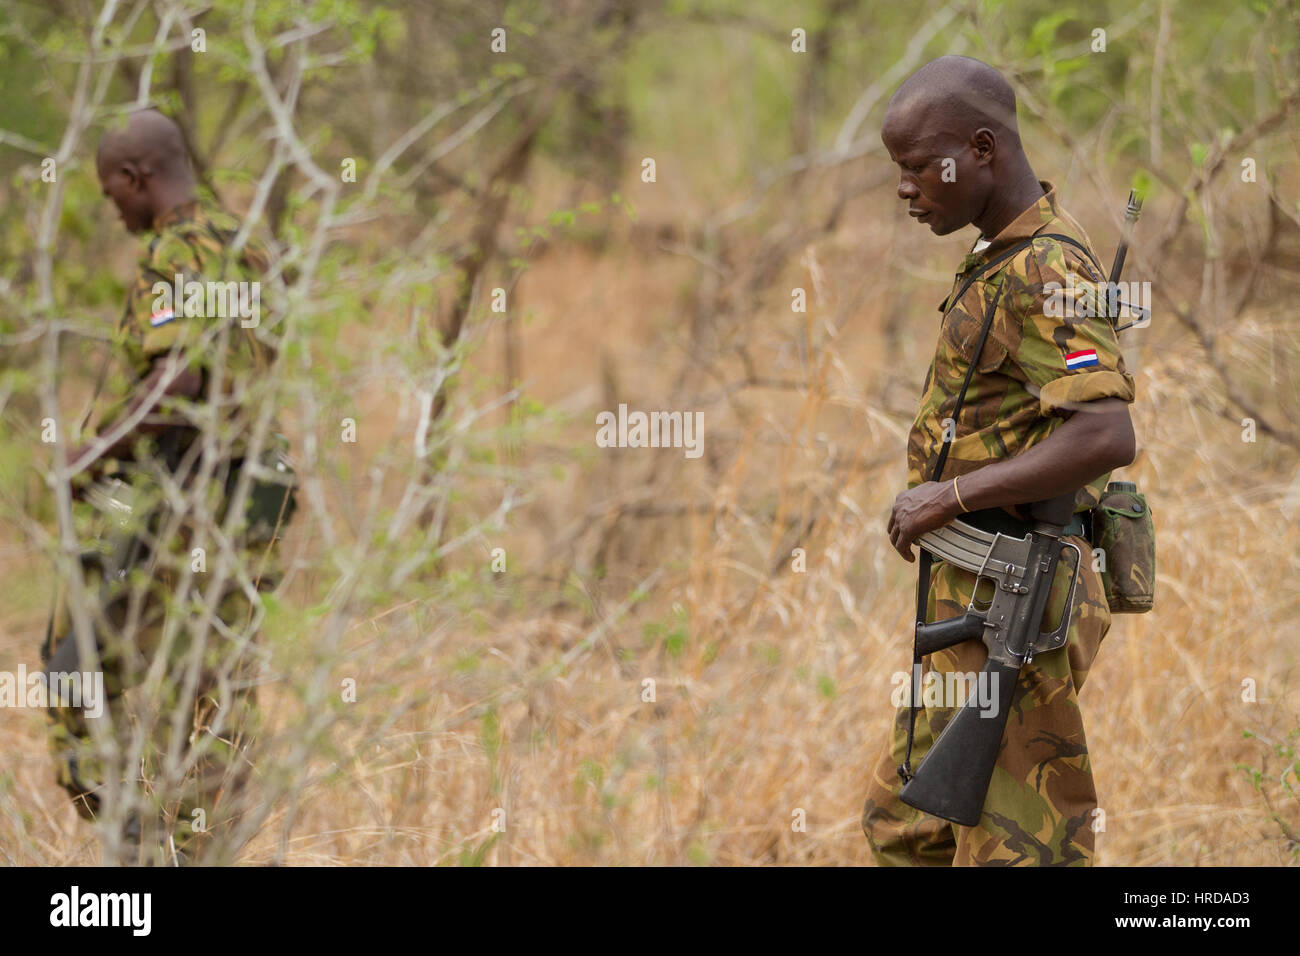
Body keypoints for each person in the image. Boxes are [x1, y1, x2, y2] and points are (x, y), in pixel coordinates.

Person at [860, 56, 1137, 866]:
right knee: (909, 828)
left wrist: (948, 494)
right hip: (971, 593)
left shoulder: (1049, 267)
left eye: (917, 168)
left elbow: (1105, 435)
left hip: (1019, 600)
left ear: (981, 149)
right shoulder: (1002, 256)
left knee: (1021, 853)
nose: (906, 189)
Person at [43, 108, 295, 865]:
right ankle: (202, 848)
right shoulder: (248, 245)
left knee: (77, 667)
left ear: (136, 177)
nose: (112, 208)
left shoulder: (179, 254)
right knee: (211, 684)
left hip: (172, 493)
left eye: (110, 192)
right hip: (254, 497)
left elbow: (177, 377)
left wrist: (91, 457)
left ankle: (137, 850)